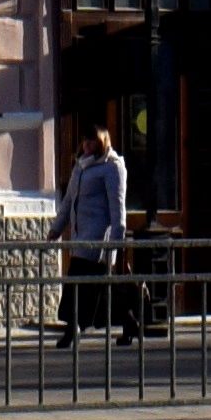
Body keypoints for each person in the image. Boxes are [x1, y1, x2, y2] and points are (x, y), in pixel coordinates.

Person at [52, 123, 130, 339]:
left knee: (79, 281)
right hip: (80, 235)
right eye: (85, 140)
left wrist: (116, 242)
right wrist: (56, 228)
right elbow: (68, 201)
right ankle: (128, 321)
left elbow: (117, 205)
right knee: (101, 288)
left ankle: (74, 327)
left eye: (92, 140)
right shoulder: (81, 166)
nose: (86, 144)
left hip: (99, 238)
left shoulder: (112, 167)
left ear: (102, 142)